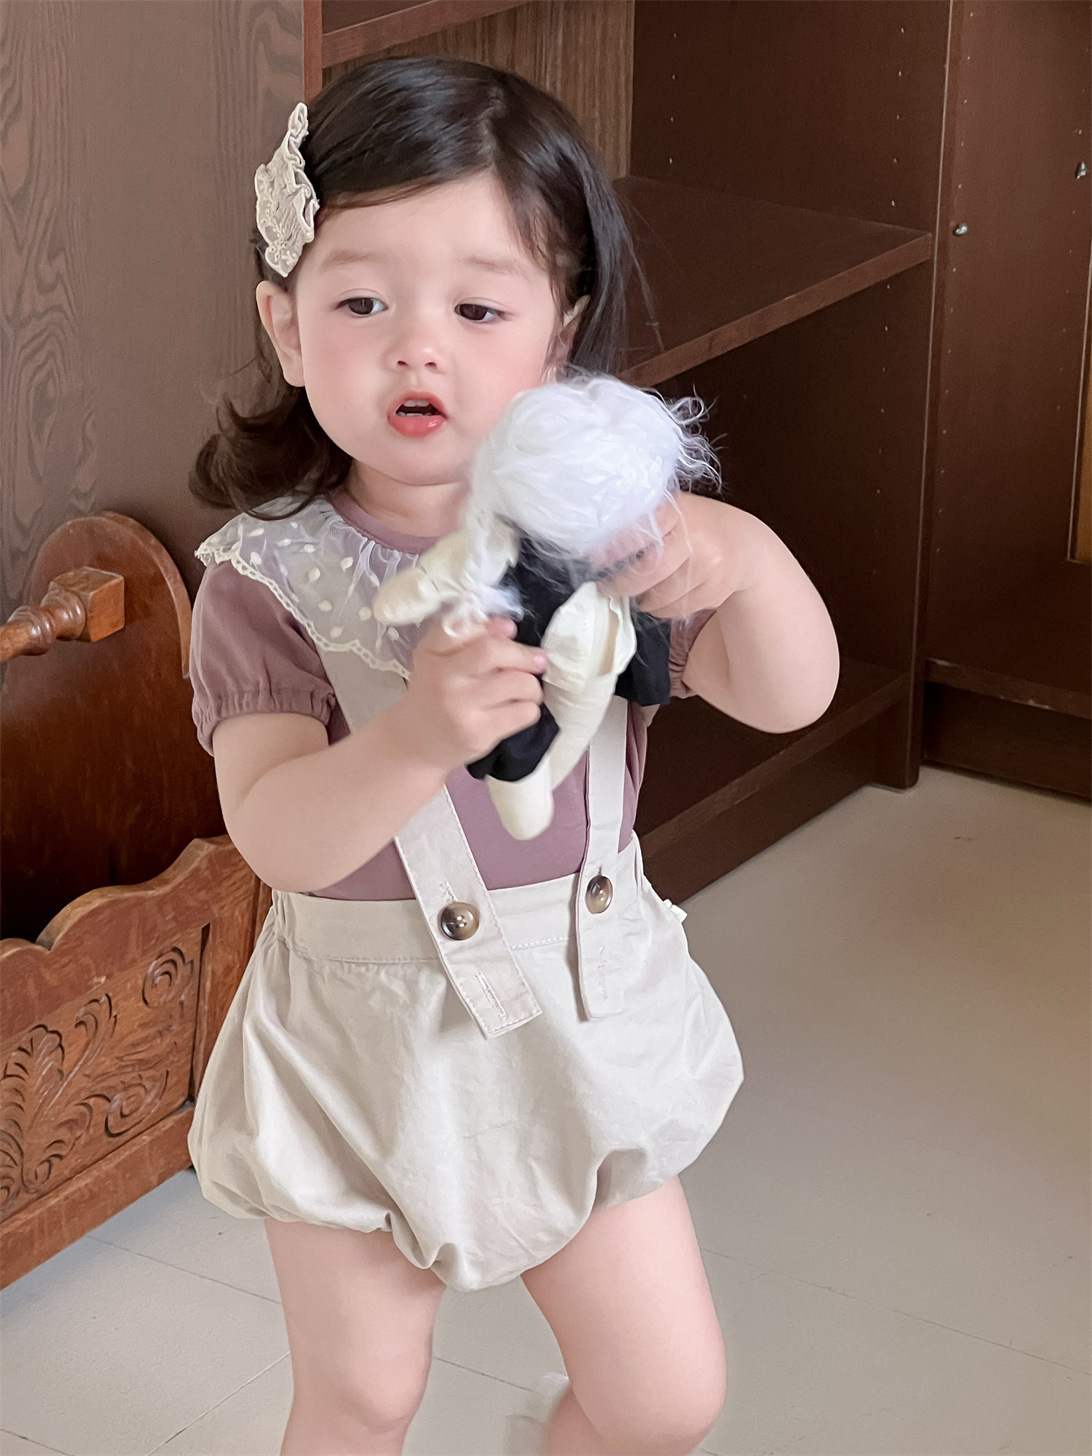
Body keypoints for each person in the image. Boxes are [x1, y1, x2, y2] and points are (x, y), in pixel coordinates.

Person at [184, 55, 840, 1456]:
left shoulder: (604, 538)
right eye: (362, 303)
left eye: (478, 308)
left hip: (578, 1023)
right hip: (362, 1051)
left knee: (665, 1397)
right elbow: (279, 836)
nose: (417, 348)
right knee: (364, 1395)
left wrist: (749, 557)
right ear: (286, 327)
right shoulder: (267, 580)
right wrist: (416, 735)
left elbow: (791, 695)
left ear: (559, 337)